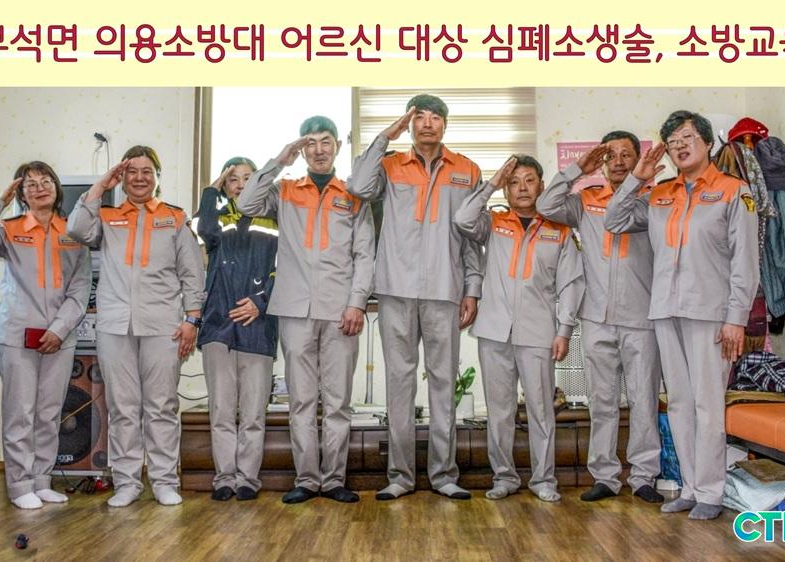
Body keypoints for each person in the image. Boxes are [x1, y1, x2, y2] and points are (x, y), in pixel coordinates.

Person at [604, 111, 759, 520]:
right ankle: (690, 488)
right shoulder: (660, 195)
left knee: (708, 405)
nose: (680, 146)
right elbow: (614, 220)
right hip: (665, 310)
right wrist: (637, 178)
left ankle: (710, 492)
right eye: (672, 142)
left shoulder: (734, 191)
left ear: (707, 143)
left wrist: (736, 318)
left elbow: (745, 261)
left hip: (711, 313)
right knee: (679, 405)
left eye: (687, 138)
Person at [348, 93, 482, 501]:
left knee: (444, 385)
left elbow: (472, 235)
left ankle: (444, 475)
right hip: (396, 290)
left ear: (445, 124)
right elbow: (357, 186)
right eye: (418, 117)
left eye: (435, 117)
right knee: (399, 384)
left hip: (445, 289)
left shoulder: (467, 169)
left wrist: (472, 288)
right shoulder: (390, 166)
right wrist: (384, 137)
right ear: (409, 124)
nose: (427, 123)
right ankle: (400, 476)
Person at [238, 116, 374, 504]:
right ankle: (308, 479)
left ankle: (333, 480)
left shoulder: (353, 195)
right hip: (295, 309)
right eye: (310, 143)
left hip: (340, 311)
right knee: (300, 400)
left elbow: (365, 255)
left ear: (337, 147)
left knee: (337, 402)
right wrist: (279, 160)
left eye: (325, 141)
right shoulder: (284, 190)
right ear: (302, 149)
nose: (318, 149)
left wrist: (357, 302)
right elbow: (246, 203)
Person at [67, 146, 205, 507]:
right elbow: (76, 228)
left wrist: (192, 319)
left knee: (161, 406)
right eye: (132, 172)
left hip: (163, 326)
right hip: (115, 325)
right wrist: (101, 185)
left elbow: (192, 273)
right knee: (122, 407)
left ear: (157, 177)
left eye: (147, 171)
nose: (140, 178)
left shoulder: (175, 218)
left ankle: (164, 481)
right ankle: (127, 482)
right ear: (122, 177)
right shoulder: (107, 216)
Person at [536, 132, 665, 504]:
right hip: (596, 316)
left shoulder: (655, 200)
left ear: (639, 160)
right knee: (602, 401)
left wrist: (638, 182)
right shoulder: (586, 199)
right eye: (611, 156)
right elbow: (546, 205)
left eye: (627, 155)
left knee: (643, 401)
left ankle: (643, 476)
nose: (619, 161)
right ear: (603, 163)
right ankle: (605, 477)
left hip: (641, 317)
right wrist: (578, 169)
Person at [454, 155, 584, 502]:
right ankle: (504, 477)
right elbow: (462, 218)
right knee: (500, 412)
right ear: (506, 189)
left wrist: (564, 330)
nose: (522, 188)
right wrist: (493, 183)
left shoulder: (559, 230)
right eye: (514, 182)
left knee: (541, 410)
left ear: (542, 185)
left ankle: (544, 480)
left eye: (529, 180)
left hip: (538, 334)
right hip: (494, 331)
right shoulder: (493, 222)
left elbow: (571, 284)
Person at [0, 161, 90, 509]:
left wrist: (59, 329)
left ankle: (41, 481)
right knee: (20, 413)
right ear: (21, 194)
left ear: (56, 187)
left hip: (58, 338)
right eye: (30, 184)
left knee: (49, 413)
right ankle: (20, 486)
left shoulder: (73, 234)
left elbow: (79, 291)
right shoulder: (9, 229)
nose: (40, 187)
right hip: (16, 336)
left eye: (46, 180)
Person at [196, 157, 279, 502]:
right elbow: (203, 230)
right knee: (221, 410)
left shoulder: (274, 219)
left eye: (248, 177)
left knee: (253, 412)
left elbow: (286, 268)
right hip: (219, 326)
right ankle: (224, 479)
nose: (241, 184)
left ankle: (247, 479)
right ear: (225, 185)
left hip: (258, 325)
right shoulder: (218, 219)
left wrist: (261, 302)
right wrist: (211, 190)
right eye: (233, 179)